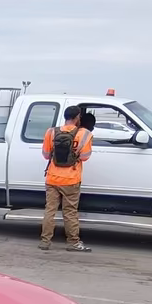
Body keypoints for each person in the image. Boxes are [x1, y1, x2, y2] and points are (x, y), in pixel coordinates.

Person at [40, 105, 93, 252]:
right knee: (69, 212)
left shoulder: (51, 132)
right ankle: (73, 243)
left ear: (65, 116)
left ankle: (45, 241)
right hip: (71, 179)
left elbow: (45, 155)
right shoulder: (85, 134)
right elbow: (85, 157)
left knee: (50, 210)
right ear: (77, 117)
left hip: (52, 178)